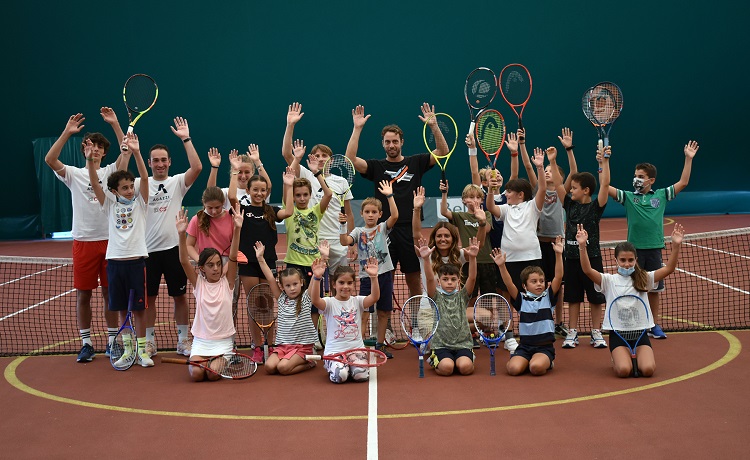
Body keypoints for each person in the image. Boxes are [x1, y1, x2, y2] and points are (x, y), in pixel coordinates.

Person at [44, 109, 125, 362]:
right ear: (85, 150)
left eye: (100, 146)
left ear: (105, 150)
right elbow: (49, 158)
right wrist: (67, 133)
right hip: (83, 242)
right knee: (84, 294)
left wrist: (115, 124)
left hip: (110, 241)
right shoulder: (74, 175)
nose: (97, 149)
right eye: (92, 145)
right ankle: (87, 343)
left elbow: (126, 151)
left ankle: (112, 341)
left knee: (110, 294)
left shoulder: (111, 172)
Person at [345, 103, 447, 300]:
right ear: (383, 144)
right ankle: (388, 327)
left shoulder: (416, 162)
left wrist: (434, 126)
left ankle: (416, 327)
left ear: (402, 142)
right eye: (387, 142)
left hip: (411, 229)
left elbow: (443, 151)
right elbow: (350, 159)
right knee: (385, 279)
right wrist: (357, 128)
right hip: (383, 230)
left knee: (413, 280)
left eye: (395, 141)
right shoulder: (376, 166)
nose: (391, 145)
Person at [607, 141, 699, 339]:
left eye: (641, 177)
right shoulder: (629, 197)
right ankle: (634, 324)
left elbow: (683, 183)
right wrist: (603, 162)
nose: (636, 179)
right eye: (635, 176)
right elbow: (606, 186)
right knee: (632, 288)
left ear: (651, 180)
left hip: (655, 249)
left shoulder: (661, 195)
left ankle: (654, 325)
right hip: (634, 253)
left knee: (654, 290)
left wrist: (688, 159)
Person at [576, 223, 684, 377]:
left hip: (640, 334)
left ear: (636, 260)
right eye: (623, 260)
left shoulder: (644, 278)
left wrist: (676, 246)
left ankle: (636, 357)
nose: (627, 264)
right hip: (618, 335)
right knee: (624, 371)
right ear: (616, 261)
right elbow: (587, 270)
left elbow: (669, 269)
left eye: (630, 260)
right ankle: (617, 358)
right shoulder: (609, 280)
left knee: (647, 370)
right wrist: (582, 246)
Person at [136, 116, 202, 358]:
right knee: (149, 299)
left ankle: (183, 340)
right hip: (147, 252)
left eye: (164, 160)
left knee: (180, 296)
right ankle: (150, 341)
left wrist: (186, 138)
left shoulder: (177, 183)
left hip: (176, 249)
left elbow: (197, 168)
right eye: (155, 160)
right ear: (149, 163)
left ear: (170, 162)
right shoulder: (138, 183)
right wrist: (129, 149)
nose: (160, 164)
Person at [87, 133, 153, 367]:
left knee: (139, 310)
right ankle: (127, 350)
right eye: (124, 187)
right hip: (114, 263)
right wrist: (89, 161)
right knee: (120, 308)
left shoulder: (140, 204)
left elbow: (145, 177)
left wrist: (136, 152)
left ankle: (143, 352)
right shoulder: (108, 205)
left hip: (136, 263)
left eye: (130, 186)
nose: (129, 190)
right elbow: (95, 183)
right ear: (114, 191)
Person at [229, 160, 295, 363]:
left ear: (267, 192)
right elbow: (232, 196)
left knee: (266, 305)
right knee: (252, 305)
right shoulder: (243, 210)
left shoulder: (271, 211)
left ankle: (272, 344)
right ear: (248, 189)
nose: (259, 193)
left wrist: (289, 186)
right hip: (248, 263)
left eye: (262, 190)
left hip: (267, 263)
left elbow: (289, 211)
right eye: (255, 190)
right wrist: (233, 170)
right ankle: (257, 346)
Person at [281, 102, 355, 273]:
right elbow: (286, 154)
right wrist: (290, 125)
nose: (321, 158)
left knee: (340, 284)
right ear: (311, 158)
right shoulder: (306, 174)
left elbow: (349, 213)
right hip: (314, 241)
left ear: (331, 158)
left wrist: (351, 241)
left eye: (324, 155)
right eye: (317, 155)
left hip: (338, 241)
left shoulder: (341, 181)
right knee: (317, 284)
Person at [551, 143, 610, 349]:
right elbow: (559, 186)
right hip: (572, 259)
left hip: (592, 259)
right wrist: (552, 161)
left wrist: (603, 163)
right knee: (573, 298)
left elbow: (604, 186)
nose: (570, 190)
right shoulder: (570, 205)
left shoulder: (595, 207)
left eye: (574, 188)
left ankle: (596, 331)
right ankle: (573, 331)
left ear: (586, 190)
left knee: (595, 298)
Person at [521, 128, 578, 337]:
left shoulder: (563, 191)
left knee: (558, 285)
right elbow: (528, 166)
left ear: (559, 177)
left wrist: (568, 149)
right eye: (544, 169)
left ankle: (559, 321)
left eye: (550, 169)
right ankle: (538, 316)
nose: (547, 171)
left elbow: (574, 171)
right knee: (537, 283)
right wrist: (522, 144)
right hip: (538, 244)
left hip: (557, 245)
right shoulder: (539, 188)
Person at [176, 205, 242, 381]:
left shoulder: (227, 283)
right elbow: (183, 260)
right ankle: (204, 362)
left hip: (223, 342)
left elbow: (233, 256)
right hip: (201, 342)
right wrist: (182, 234)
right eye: (211, 265)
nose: (216, 269)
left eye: (218, 264)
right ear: (202, 268)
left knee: (213, 374)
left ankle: (221, 359)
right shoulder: (199, 283)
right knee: (197, 374)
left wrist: (237, 229)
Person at [339, 181, 398, 359]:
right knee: (364, 313)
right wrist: (342, 226)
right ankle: (360, 345)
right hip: (366, 278)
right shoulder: (357, 231)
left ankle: (380, 345)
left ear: (380, 214)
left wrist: (389, 195)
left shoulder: (382, 228)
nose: (370, 215)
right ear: (362, 213)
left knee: (383, 313)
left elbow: (395, 215)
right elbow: (344, 242)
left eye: (374, 212)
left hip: (385, 275)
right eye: (367, 212)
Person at [491, 236, 564, 376]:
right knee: (513, 369)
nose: (539, 284)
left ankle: (546, 361)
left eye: (541, 281)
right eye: (534, 281)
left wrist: (558, 255)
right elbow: (509, 284)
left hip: (544, 348)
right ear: (525, 286)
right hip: (524, 347)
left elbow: (558, 277)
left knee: (535, 368)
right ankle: (526, 360)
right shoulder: (521, 299)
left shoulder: (548, 297)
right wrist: (501, 266)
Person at [485, 148, 547, 303]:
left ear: (520, 194)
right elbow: (491, 207)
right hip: (510, 258)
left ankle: (535, 322)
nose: (506, 194)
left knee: (534, 292)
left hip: (531, 257)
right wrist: (491, 190)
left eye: (509, 191)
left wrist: (540, 167)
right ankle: (509, 326)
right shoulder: (506, 209)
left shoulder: (533, 206)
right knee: (508, 291)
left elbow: (543, 189)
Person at [309, 257, 381, 384]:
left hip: (356, 349)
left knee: (361, 376)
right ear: (334, 284)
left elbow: (375, 297)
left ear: (354, 284)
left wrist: (374, 277)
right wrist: (317, 278)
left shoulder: (357, 301)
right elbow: (315, 300)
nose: (345, 286)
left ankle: (351, 366)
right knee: (340, 376)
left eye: (349, 283)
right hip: (334, 351)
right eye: (341, 282)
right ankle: (332, 364)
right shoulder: (329, 303)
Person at [415, 236, 480, 376]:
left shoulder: (462, 296)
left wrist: (473, 258)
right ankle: (438, 360)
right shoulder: (435, 297)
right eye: (445, 279)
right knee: (447, 369)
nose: (449, 282)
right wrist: (426, 259)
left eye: (453, 279)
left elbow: (472, 278)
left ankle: (463, 359)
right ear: (439, 282)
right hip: (441, 345)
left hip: (463, 344)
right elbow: (430, 278)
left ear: (458, 281)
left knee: (465, 368)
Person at [254, 241, 318, 375]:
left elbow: (315, 281)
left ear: (301, 283)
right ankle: (293, 361)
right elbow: (270, 278)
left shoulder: (306, 298)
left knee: (283, 368)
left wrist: (318, 271)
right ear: (282, 287)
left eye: (295, 284)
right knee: (269, 367)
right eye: (288, 286)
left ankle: (310, 362)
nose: (292, 288)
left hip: (302, 347)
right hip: (283, 346)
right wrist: (260, 258)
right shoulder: (282, 299)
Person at [207, 145, 272, 209]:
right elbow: (210, 193)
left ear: (253, 172)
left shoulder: (258, 192)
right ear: (233, 172)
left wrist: (257, 161)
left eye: (247, 172)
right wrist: (214, 167)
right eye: (239, 172)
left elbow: (268, 186)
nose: (243, 176)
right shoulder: (226, 193)